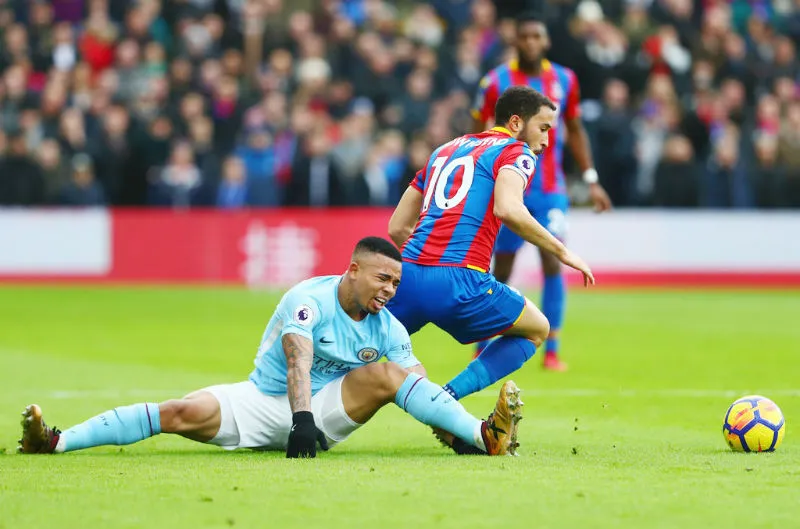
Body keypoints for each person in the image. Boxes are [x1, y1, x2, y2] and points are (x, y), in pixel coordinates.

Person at [18, 237, 522, 458]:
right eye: (382, 278)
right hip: (261, 403)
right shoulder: (307, 298)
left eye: (395, 282)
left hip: (327, 412)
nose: (390, 290)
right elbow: (298, 361)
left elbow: (418, 383)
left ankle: (481, 438)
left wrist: (450, 429)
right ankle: (56, 442)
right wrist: (296, 420)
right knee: (175, 411)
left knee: (391, 377)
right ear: (353, 270)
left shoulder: (387, 326)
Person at [387, 85, 594, 404]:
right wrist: (564, 252)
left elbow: (397, 226)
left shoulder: (444, 149)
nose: (546, 141)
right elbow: (508, 209)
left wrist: (426, 263)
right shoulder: (516, 151)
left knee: (358, 349)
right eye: (543, 128)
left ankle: (303, 410)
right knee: (537, 329)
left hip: (409, 274)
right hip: (461, 281)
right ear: (515, 123)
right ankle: (444, 401)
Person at [471, 14, 613, 371]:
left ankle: (552, 350)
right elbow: (477, 131)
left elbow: (576, 130)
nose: (531, 42)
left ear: (546, 42)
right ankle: (482, 342)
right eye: (525, 36)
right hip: (506, 185)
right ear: (516, 41)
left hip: (550, 190)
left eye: (537, 36)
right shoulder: (495, 81)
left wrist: (591, 178)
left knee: (552, 260)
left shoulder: (565, 79)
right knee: (500, 269)